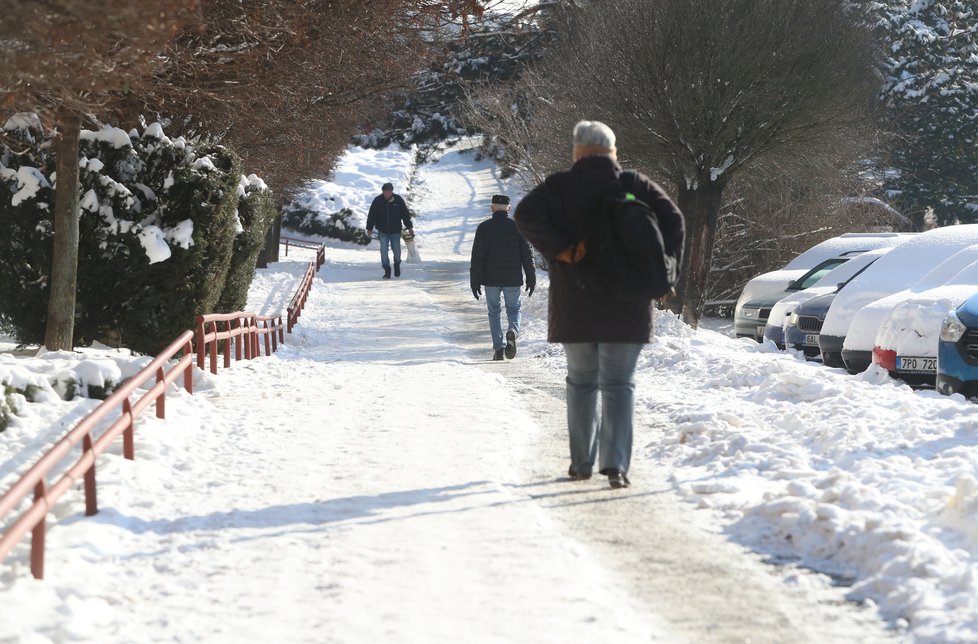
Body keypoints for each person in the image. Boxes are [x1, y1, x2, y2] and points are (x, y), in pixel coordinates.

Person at [513, 120, 685, 489]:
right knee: (619, 384)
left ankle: (581, 463)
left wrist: (561, 248)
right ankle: (617, 466)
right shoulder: (634, 185)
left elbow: (524, 213)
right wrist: (663, 273)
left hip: (576, 303)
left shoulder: (559, 186)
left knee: (581, 382)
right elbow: (674, 220)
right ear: (613, 152)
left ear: (577, 152)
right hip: (629, 304)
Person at [470, 194, 536, 361]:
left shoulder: (484, 228)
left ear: (492, 208)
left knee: (494, 312)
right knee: (514, 309)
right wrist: (531, 276)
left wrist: (475, 280)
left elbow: (477, 257)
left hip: (491, 279)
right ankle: (512, 332)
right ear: (509, 208)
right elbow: (527, 254)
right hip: (512, 279)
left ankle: (499, 350)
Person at [366, 182, 414, 279]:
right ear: (383, 191)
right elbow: (372, 214)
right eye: (385, 192)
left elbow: (405, 214)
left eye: (388, 192)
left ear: (392, 191)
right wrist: (369, 227)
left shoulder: (398, 200)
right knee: (383, 250)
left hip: (395, 231)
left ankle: (397, 264)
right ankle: (387, 269)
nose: (387, 194)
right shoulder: (378, 201)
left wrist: (409, 227)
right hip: (382, 230)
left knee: (396, 250)